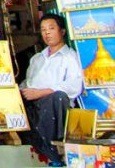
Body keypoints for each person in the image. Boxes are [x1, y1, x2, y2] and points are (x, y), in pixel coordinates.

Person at [20, 13, 84, 167]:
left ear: (62, 31)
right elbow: (27, 82)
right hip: (32, 103)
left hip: (54, 106)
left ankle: (53, 155)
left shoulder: (70, 57)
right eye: (43, 30)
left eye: (51, 28)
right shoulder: (37, 58)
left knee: (58, 97)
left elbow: (74, 86)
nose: (47, 33)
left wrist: (42, 92)